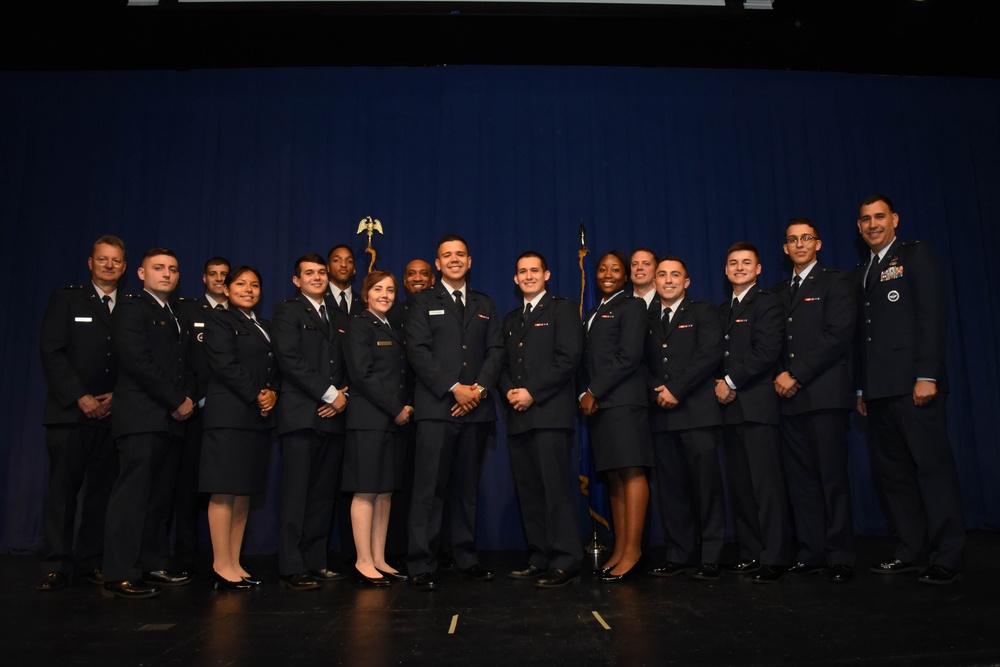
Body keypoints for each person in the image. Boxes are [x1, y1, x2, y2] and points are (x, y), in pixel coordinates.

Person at [854, 194, 965, 584]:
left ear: (895, 219)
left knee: (932, 471)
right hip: (879, 391)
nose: (872, 224)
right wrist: (861, 389)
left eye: (879, 217)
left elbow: (932, 317)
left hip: (916, 385)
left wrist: (928, 374)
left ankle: (948, 554)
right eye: (865, 219)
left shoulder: (915, 256)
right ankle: (911, 550)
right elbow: (864, 338)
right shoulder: (864, 270)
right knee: (895, 476)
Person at [404, 234, 504, 592]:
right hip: (436, 409)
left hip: (476, 410)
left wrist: (476, 390)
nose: (455, 259)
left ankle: (465, 556)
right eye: (447, 255)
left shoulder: (484, 303)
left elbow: (496, 350)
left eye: (460, 254)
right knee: (428, 490)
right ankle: (422, 562)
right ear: (438, 263)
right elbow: (418, 350)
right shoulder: (420, 302)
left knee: (466, 490)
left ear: (470, 261)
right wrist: (454, 388)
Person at [102, 248, 195, 598]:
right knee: (132, 496)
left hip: (171, 419)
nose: (166, 274)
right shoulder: (130, 307)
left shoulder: (175, 312)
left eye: (172, 269)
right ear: (141, 274)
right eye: (158, 268)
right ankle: (120, 571)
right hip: (141, 416)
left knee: (159, 497)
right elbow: (138, 362)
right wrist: (176, 400)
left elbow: (184, 364)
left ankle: (152, 563)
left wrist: (185, 399)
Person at [37, 235, 126, 591]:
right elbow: (52, 352)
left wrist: (117, 397)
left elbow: (137, 358)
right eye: (103, 259)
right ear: (91, 263)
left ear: (124, 266)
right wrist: (81, 397)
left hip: (114, 413)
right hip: (70, 413)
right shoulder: (67, 298)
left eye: (115, 261)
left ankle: (90, 562)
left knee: (101, 493)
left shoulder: (131, 306)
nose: (109, 265)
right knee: (62, 492)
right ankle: (56, 564)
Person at [772, 219, 857, 583]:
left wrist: (797, 373)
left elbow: (837, 336)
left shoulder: (836, 281)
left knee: (831, 478)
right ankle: (811, 552)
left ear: (818, 244)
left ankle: (840, 554)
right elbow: (770, 341)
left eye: (806, 238)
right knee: (800, 481)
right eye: (793, 240)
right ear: (786, 249)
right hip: (787, 399)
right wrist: (780, 373)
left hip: (823, 394)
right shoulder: (777, 292)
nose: (800, 244)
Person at [499, 252, 584, 588]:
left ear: (546, 274)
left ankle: (566, 559)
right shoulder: (510, 319)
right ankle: (539, 557)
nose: (529, 276)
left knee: (556, 490)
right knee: (530, 491)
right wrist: (510, 392)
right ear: (515, 279)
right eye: (523, 271)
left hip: (549, 414)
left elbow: (568, 358)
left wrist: (531, 391)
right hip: (518, 415)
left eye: (535, 270)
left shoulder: (562, 309)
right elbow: (502, 366)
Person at [642, 256, 727, 580]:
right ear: (655, 281)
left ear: (686, 282)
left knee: (706, 488)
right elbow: (639, 360)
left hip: (697, 413)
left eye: (675, 275)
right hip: (661, 415)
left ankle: (711, 555)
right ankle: (679, 554)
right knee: (672, 490)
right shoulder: (646, 317)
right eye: (662, 275)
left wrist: (676, 388)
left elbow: (709, 355)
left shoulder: (703, 312)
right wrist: (655, 389)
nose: (668, 280)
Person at [271, 253, 351, 591]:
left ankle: (316, 561)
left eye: (321, 272)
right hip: (301, 414)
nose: (317, 277)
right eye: (309, 273)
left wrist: (341, 395)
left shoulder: (338, 313)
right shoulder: (287, 311)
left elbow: (347, 361)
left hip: (333, 416)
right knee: (296, 493)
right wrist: (329, 393)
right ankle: (292, 565)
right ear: (296, 280)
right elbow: (290, 360)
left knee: (322, 494)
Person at [716, 242, 792, 583]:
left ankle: (775, 556)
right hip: (729, 411)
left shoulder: (767, 303)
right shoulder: (722, 310)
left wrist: (730, 381)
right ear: (726, 270)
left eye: (746, 262)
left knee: (766, 487)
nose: (739, 267)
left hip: (758, 406)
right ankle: (750, 553)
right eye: (733, 263)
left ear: (759, 268)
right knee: (742, 487)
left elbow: (766, 351)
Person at [200, 265, 279, 590]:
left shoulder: (263, 325)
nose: (249, 289)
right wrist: (256, 393)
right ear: (225, 288)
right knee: (224, 490)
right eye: (241, 284)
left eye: (255, 285)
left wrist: (273, 390)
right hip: (229, 416)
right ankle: (221, 564)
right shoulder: (219, 319)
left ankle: (234, 561)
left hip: (256, 418)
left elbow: (276, 364)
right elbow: (224, 363)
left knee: (244, 491)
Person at [578, 250, 653, 582]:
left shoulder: (633, 305)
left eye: (615, 270)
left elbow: (628, 356)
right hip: (600, 407)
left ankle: (634, 552)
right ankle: (621, 549)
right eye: (602, 269)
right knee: (613, 477)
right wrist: (584, 393)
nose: (607, 274)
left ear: (625, 277)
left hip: (623, 403)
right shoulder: (595, 311)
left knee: (632, 473)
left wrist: (594, 390)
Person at [344, 270, 414, 587]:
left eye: (389, 290)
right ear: (366, 294)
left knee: (385, 491)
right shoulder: (359, 325)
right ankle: (362, 560)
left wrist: (404, 407)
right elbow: (363, 375)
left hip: (392, 420)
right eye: (378, 289)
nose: (384, 295)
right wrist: (396, 408)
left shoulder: (392, 327)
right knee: (366, 489)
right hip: (369, 419)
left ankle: (379, 557)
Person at [171, 256, 230, 571]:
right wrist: (191, 396)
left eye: (225, 275)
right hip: (196, 408)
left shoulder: (240, 314)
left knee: (224, 486)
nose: (219, 279)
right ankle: (185, 552)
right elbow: (183, 360)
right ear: (204, 278)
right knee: (189, 484)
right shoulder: (187, 311)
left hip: (230, 412)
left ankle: (222, 555)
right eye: (214, 274)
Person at [385, 258, 435, 565]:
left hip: (433, 405)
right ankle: (397, 549)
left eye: (423, 274)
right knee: (398, 483)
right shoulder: (391, 313)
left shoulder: (442, 307)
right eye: (411, 274)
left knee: (433, 484)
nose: (417, 278)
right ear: (404, 280)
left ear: (432, 278)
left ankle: (435, 549)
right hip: (399, 409)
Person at [326, 244, 362, 316]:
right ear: (328, 267)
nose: (343, 264)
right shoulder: (319, 298)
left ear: (354, 269)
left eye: (349, 261)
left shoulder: (364, 303)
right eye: (336, 260)